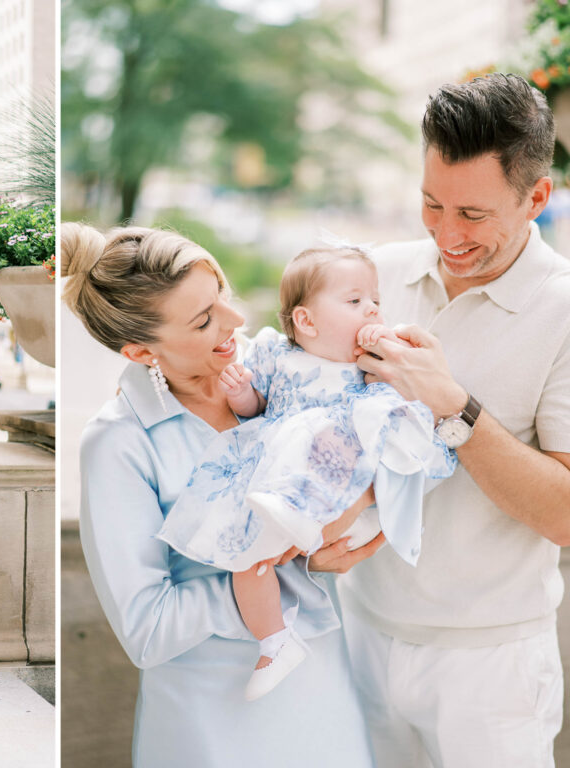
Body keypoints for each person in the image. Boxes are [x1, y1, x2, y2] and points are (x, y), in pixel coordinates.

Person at [62, 222, 382, 767]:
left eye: (223, 297)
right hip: (212, 717)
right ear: (141, 352)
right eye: (204, 319)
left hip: (323, 689)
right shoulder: (117, 443)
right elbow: (148, 628)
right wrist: (292, 564)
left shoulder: (279, 364)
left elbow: (368, 443)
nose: (235, 321)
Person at [338, 73, 570, 768]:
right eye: (430, 203)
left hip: (491, 669)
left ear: (537, 198)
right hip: (357, 637)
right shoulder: (372, 276)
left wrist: (453, 407)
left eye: (472, 215)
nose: (445, 233)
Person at [157, 245, 454, 701]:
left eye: (375, 300)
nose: (372, 308)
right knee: (247, 558)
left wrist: (393, 366)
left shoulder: (371, 367)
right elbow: (258, 411)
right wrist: (241, 396)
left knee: (337, 430)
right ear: (307, 322)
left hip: (342, 491)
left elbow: (398, 422)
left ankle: (299, 515)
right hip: (277, 486)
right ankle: (275, 641)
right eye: (354, 301)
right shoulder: (277, 355)